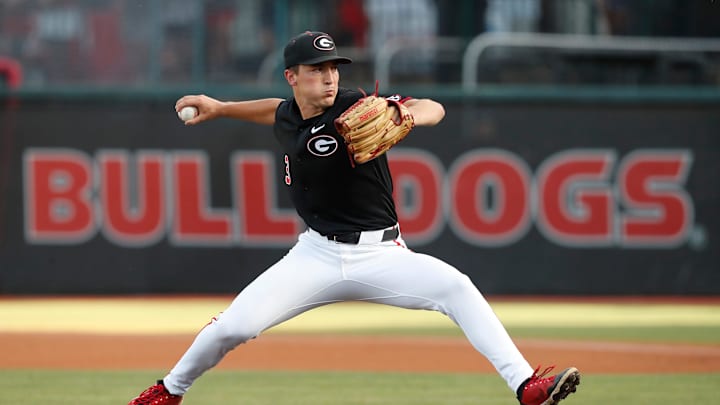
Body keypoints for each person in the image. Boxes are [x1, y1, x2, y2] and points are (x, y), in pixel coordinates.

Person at [127, 30, 580, 405]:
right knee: (235, 326)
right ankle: (167, 392)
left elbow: (433, 108)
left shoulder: (355, 106)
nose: (328, 78)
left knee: (457, 287)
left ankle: (526, 386)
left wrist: (405, 113)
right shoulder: (290, 116)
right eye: (316, 70)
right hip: (317, 254)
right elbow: (276, 111)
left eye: (332, 69)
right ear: (292, 77)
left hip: (382, 253)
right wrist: (222, 107)